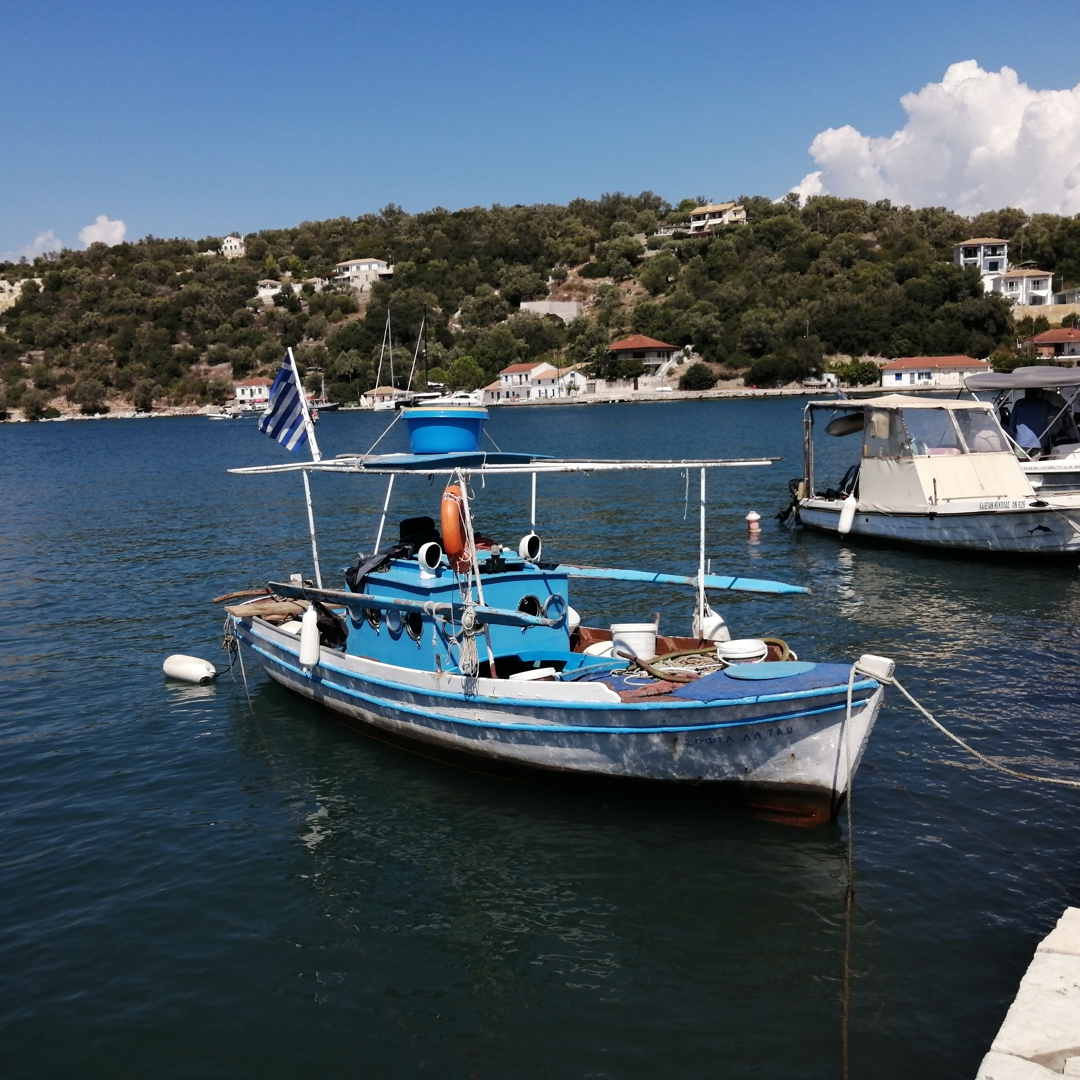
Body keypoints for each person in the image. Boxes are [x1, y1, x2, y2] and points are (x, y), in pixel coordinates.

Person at [1009, 388, 1056, 456]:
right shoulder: (1044, 403)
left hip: (1021, 442)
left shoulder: (1019, 403)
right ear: (1037, 392)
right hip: (1039, 442)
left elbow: (1012, 422)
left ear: (1025, 392)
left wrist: (1013, 434)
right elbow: (1057, 412)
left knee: (1021, 463)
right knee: (1036, 464)